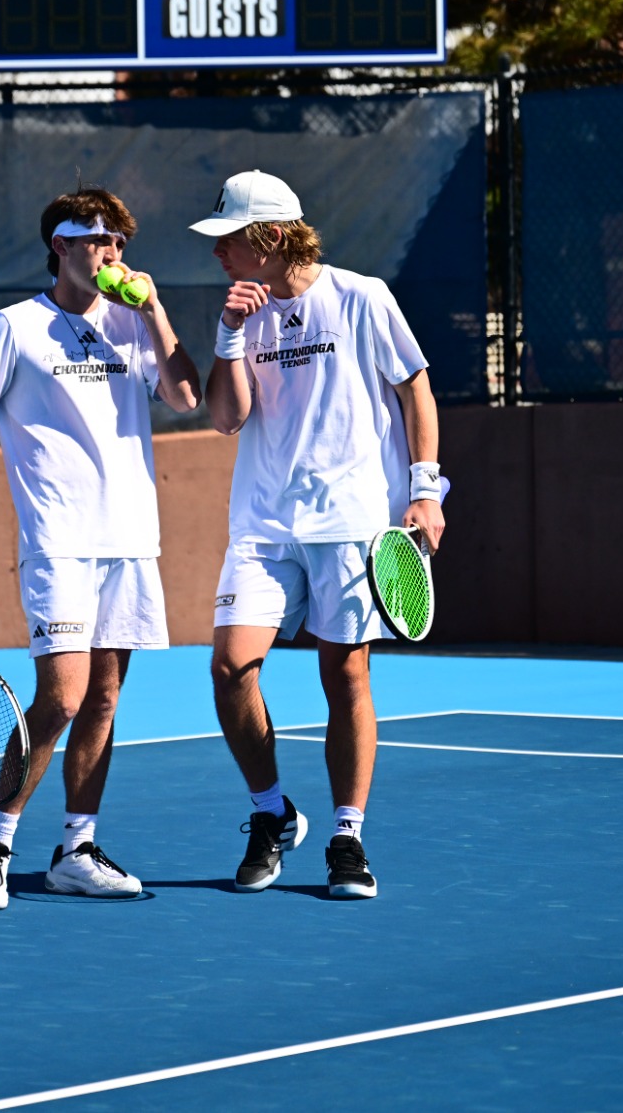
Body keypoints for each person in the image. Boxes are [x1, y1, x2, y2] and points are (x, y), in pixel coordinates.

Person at [0, 188, 202, 910]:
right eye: (98, 241)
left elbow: (186, 397)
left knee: (103, 698)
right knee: (63, 697)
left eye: (119, 243)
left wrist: (154, 311)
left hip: (129, 540)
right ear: (61, 245)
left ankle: (77, 849)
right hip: (57, 539)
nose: (111, 255)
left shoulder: (132, 324)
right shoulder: (14, 326)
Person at [190, 170, 445, 900]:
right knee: (231, 668)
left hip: (351, 521)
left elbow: (416, 389)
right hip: (264, 524)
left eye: (229, 240)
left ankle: (347, 837)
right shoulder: (243, 314)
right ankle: (272, 811)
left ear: (271, 236)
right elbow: (225, 418)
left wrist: (426, 491)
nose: (218, 254)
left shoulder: (362, 297)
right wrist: (228, 335)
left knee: (346, 675)